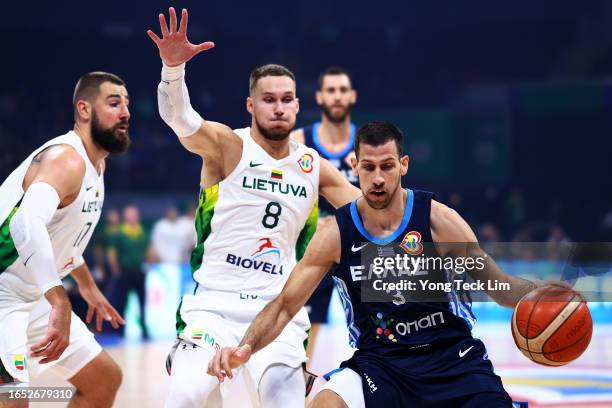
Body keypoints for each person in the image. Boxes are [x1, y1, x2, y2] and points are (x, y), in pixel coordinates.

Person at [208, 121, 552, 407]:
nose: (377, 178)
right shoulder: (335, 234)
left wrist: (544, 293)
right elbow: (284, 306)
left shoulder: (438, 220)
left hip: (452, 358)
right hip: (381, 364)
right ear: (355, 166)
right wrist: (246, 347)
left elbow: (499, 286)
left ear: (403, 165)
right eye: (368, 167)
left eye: (387, 166)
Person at [147, 7, 361, 407]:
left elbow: (373, 214)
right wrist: (172, 71)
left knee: (285, 401)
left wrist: (381, 178)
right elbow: (180, 119)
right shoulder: (228, 146)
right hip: (213, 309)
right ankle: (187, 359)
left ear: (297, 106)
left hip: (277, 311)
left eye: (285, 100)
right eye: (268, 100)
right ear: (251, 105)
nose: (278, 108)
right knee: (184, 397)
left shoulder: (314, 167)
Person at [0, 72, 128, 407]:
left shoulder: (96, 166)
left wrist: (88, 287)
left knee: (103, 381)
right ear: (84, 110)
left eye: (127, 104)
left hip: (33, 295)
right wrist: (61, 300)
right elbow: (26, 225)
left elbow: (62, 241)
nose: (126, 112)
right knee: (13, 399)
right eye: (114, 103)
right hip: (3, 293)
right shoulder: (66, 159)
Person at [291, 66, 358, 364]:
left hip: (357, 250)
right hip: (310, 248)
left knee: (380, 327)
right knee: (301, 333)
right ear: (319, 97)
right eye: (331, 90)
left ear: (352, 96)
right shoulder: (299, 140)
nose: (337, 96)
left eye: (343, 90)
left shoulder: (366, 144)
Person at [106, 205, 153, 339]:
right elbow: (112, 253)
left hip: (139, 272)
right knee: (122, 301)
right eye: (130, 214)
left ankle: (144, 328)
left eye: (134, 214)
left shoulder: (143, 232)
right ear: (125, 216)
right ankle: (121, 329)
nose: (132, 217)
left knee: (142, 301)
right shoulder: (119, 233)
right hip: (124, 272)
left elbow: (149, 249)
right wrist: (115, 270)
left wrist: (149, 264)